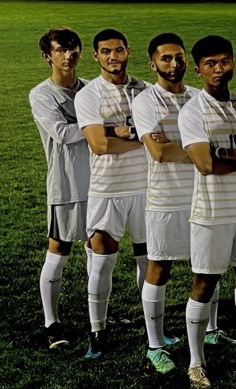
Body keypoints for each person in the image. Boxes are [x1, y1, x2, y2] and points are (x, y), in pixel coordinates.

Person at [177, 35, 236, 389]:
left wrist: (226, 155)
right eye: (210, 64)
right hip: (212, 212)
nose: (219, 70)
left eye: (224, 62)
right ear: (198, 69)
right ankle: (196, 362)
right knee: (205, 283)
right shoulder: (193, 110)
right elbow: (205, 163)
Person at [74, 28, 150, 359]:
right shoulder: (88, 95)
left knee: (149, 262)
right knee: (102, 262)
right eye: (106, 52)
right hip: (107, 190)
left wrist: (126, 132)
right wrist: (139, 135)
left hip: (147, 187)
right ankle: (98, 332)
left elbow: (159, 134)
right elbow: (99, 144)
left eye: (118, 50)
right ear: (96, 56)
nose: (113, 57)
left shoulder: (144, 91)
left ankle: (153, 326)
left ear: (127, 51)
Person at [132, 32, 199, 373]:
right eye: (166, 58)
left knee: (206, 267)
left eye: (179, 57)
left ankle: (211, 330)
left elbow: (179, 147)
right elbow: (158, 152)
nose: (174, 64)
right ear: (153, 63)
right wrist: (198, 149)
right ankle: (155, 344)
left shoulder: (199, 97)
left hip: (202, 196)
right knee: (160, 268)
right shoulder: (146, 101)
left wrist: (178, 146)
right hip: (164, 199)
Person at [30, 27, 90, 350]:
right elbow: (63, 134)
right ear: (47, 56)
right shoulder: (40, 94)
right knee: (59, 249)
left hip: (98, 180)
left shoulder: (92, 88)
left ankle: (99, 321)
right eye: (60, 50)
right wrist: (99, 125)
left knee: (99, 247)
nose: (69, 55)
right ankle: (51, 323)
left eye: (73, 48)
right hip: (64, 183)